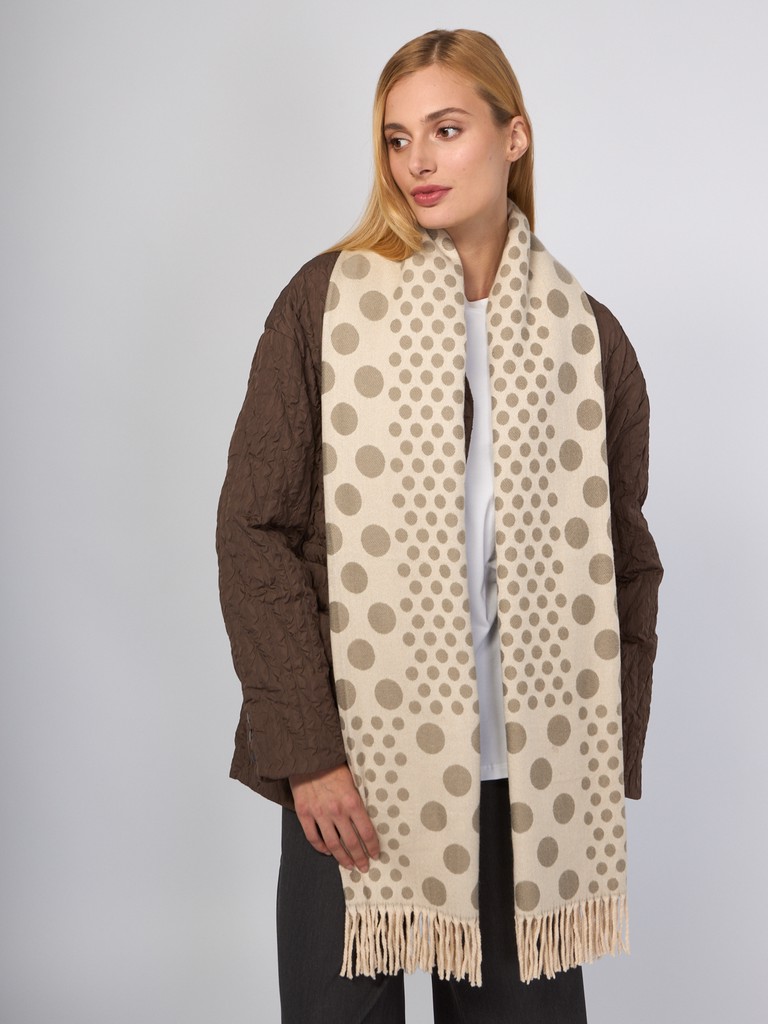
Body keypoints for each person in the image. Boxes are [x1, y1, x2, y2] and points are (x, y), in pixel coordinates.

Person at [216, 28, 662, 1024]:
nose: (416, 160)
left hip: (531, 786)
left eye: (447, 129)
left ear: (514, 137)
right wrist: (307, 752)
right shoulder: (323, 306)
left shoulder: (589, 339)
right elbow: (255, 532)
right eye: (396, 137)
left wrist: (602, 757)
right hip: (355, 772)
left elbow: (626, 560)